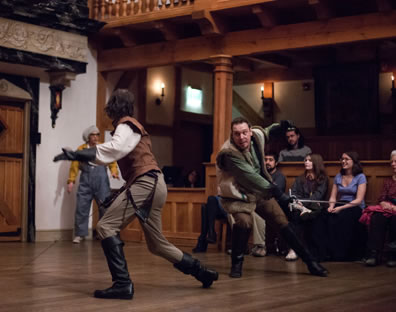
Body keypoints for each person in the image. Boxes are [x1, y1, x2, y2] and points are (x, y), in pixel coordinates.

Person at [54, 89, 218, 300]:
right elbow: (122, 156)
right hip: (154, 184)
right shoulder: (132, 126)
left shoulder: (126, 125)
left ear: (114, 107)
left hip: (146, 183)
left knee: (105, 226)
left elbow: (113, 150)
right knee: (157, 244)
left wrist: (77, 154)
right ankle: (202, 273)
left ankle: (122, 284)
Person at [216, 116, 328, 278]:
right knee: (244, 222)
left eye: (245, 133)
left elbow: (268, 131)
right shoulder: (228, 153)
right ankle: (237, 264)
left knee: (281, 220)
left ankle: (310, 262)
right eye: (237, 134)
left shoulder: (257, 136)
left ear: (250, 132)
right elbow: (251, 177)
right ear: (232, 135)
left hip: (259, 192)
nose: (242, 137)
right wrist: (280, 195)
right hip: (237, 194)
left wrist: (282, 126)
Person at [67, 125, 119, 244]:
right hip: (86, 181)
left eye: (97, 135)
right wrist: (71, 180)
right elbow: (74, 165)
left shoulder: (103, 147)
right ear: (88, 137)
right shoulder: (81, 149)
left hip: (101, 182)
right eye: (93, 135)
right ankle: (80, 234)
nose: (95, 137)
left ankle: (104, 234)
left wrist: (114, 172)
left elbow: (112, 161)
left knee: (105, 207)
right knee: (82, 207)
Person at [324, 151, 367, 261]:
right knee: (326, 215)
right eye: (342, 159)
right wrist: (331, 206)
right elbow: (333, 197)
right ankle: (330, 253)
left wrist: (340, 208)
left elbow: (358, 200)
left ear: (354, 161)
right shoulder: (339, 176)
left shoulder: (360, 177)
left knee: (343, 217)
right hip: (341, 203)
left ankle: (344, 254)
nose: (343, 161)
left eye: (346, 159)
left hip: (355, 206)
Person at [285, 154, 328, 261]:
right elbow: (294, 193)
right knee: (294, 215)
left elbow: (318, 195)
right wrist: (299, 204)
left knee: (311, 214)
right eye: (305, 160)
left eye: (309, 160)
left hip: (314, 208)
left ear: (316, 163)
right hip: (300, 207)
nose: (306, 162)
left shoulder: (323, 179)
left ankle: (310, 250)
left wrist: (303, 204)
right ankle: (293, 249)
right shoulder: (300, 179)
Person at [360, 150, 396, 267]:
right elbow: (382, 197)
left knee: (395, 220)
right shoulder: (388, 181)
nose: (393, 164)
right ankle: (374, 254)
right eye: (392, 162)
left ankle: (393, 255)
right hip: (387, 208)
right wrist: (384, 203)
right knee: (376, 218)